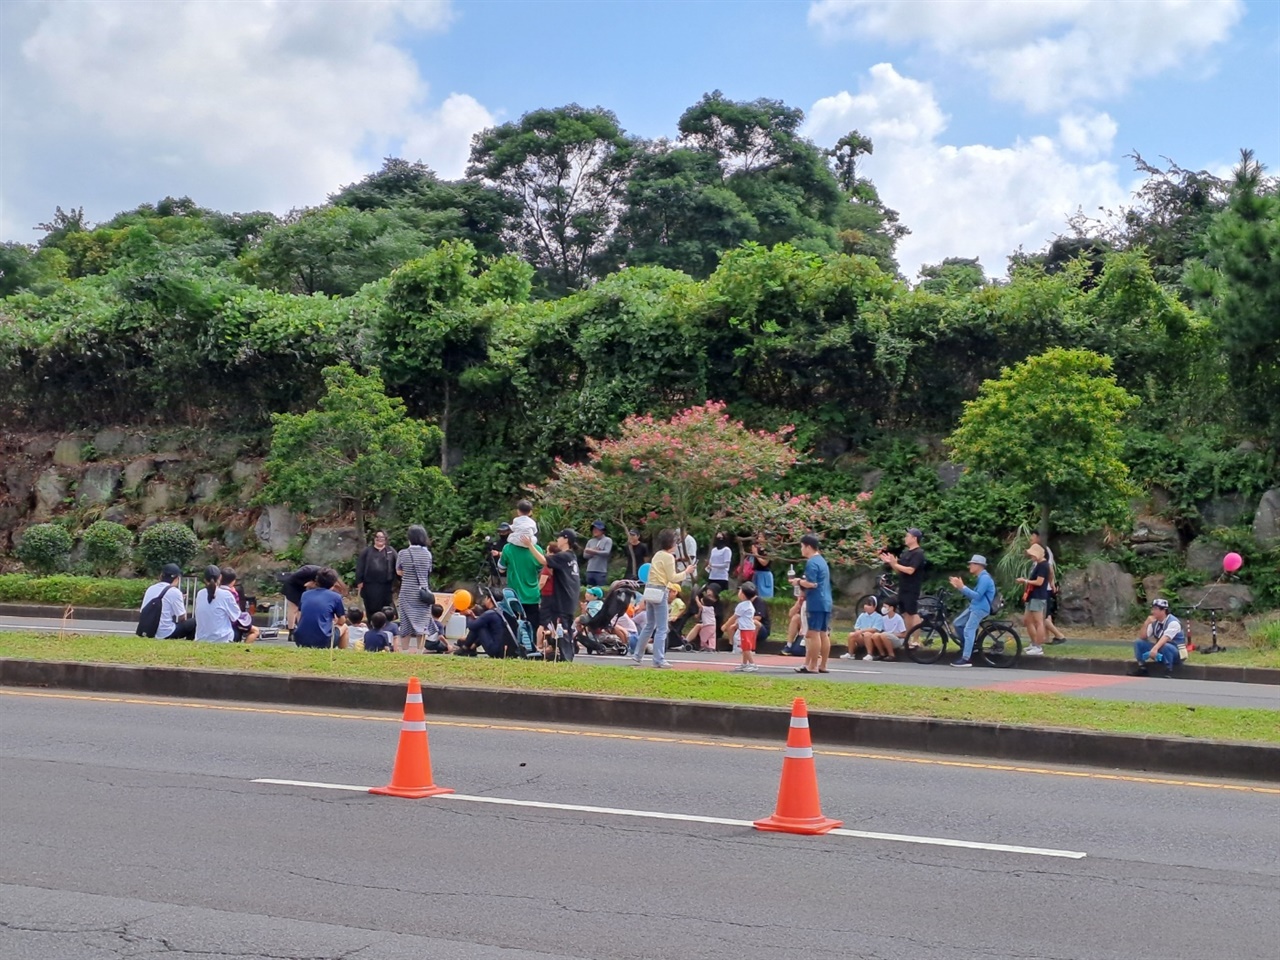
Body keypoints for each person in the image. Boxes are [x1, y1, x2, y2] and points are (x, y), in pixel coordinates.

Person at [634, 529, 694, 668]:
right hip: (660, 592)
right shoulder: (669, 557)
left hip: (650, 590)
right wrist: (686, 572)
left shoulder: (657, 555)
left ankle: (637, 654)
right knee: (662, 628)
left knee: (649, 625)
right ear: (672, 543)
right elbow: (672, 578)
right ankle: (659, 659)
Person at [791, 534, 833, 674]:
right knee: (823, 633)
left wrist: (798, 581)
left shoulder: (812, 562)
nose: (801, 550)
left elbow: (811, 583)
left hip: (816, 601)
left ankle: (813, 665)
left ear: (808, 547)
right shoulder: (822, 561)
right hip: (826, 601)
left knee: (812, 633)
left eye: (802, 546)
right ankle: (823, 665)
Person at [948, 555, 996, 667]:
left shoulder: (985, 578)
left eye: (972, 563)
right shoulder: (981, 577)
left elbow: (977, 596)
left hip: (980, 608)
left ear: (979, 566)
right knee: (958, 623)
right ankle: (967, 646)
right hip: (974, 606)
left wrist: (962, 587)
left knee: (968, 630)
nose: (969, 566)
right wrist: (960, 587)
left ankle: (966, 658)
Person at [395, 525, 435, 653]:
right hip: (422, 592)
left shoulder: (403, 553)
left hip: (407, 591)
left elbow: (399, 571)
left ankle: (405, 650)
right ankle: (419, 651)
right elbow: (428, 571)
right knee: (422, 622)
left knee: (405, 622)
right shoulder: (427, 554)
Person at [499, 527, 547, 630]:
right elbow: (540, 568)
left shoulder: (508, 548)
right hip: (532, 594)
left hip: (513, 594)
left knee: (510, 624)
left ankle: (511, 645)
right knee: (532, 624)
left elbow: (501, 568)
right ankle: (532, 644)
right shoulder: (537, 550)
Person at [880, 528, 925, 634]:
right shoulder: (906, 553)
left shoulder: (918, 553)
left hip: (912, 588)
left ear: (914, 538)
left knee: (912, 613)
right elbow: (899, 570)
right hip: (903, 586)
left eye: (907, 536)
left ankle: (915, 640)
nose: (905, 538)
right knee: (905, 613)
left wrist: (896, 564)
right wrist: (891, 563)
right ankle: (907, 638)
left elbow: (910, 570)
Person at [293, 568, 348, 649]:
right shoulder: (336, 597)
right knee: (345, 627)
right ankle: (342, 654)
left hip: (300, 640)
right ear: (334, 583)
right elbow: (342, 621)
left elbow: (299, 617)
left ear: (317, 581)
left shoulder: (305, 594)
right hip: (323, 642)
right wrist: (335, 621)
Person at [138, 563, 195, 640]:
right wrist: (180, 600)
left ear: (161, 576)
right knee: (193, 623)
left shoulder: (150, 588)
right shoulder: (175, 591)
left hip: (149, 631)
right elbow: (182, 617)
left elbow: (143, 610)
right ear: (177, 579)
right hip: (165, 633)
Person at [1131, 599, 1184, 677]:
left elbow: (1166, 638)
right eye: (1152, 609)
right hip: (1160, 650)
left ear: (1163, 611)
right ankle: (1142, 668)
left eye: (1155, 609)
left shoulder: (1173, 622)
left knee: (1165, 645)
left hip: (1175, 653)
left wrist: (1154, 649)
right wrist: (1146, 623)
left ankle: (1168, 669)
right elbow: (1143, 636)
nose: (1153, 612)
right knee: (1138, 642)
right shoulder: (1155, 622)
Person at [1031, 531, 1068, 644]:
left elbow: (1050, 569)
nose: (1030, 541)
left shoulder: (1043, 551)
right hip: (1043, 587)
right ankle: (1045, 637)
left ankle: (1059, 636)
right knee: (1046, 615)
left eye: (1032, 538)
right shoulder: (1037, 551)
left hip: (1043, 588)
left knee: (1042, 617)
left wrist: (1051, 583)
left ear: (1038, 538)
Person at [454, 594, 517, 658]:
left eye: (486, 598)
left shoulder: (490, 613)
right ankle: (472, 647)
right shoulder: (505, 613)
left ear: (489, 600)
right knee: (482, 625)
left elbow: (472, 626)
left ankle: (465, 648)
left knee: (480, 626)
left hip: (495, 651)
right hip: (507, 651)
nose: (484, 600)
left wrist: (468, 615)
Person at [354, 530, 397, 622]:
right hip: (370, 585)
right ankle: (373, 625)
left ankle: (387, 626)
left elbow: (397, 566)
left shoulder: (391, 551)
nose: (379, 539)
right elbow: (360, 567)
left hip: (386, 585)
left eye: (382, 537)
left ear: (385, 539)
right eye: (377, 537)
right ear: (374, 539)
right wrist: (359, 581)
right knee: (372, 607)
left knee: (387, 607)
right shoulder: (366, 551)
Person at [194, 565, 242, 643]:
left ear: (205, 580)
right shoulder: (226, 594)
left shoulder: (200, 594)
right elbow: (236, 616)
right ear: (220, 577)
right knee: (239, 630)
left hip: (201, 639)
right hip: (223, 639)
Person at [1018, 543, 1051, 656]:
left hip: (1038, 596)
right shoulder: (1039, 564)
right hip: (1032, 595)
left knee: (1038, 622)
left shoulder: (1043, 565)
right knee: (1028, 620)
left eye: (1032, 554)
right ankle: (1033, 643)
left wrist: (1025, 581)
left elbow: (1039, 582)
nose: (1031, 557)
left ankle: (1038, 646)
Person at [220, 567, 259, 644]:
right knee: (255, 631)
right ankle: (244, 649)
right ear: (233, 581)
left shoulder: (214, 591)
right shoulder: (231, 594)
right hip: (230, 625)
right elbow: (236, 614)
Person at [281, 564, 324, 630]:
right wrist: (307, 584)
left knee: (301, 609)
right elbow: (293, 579)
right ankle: (291, 630)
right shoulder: (308, 571)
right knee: (294, 608)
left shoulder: (321, 575)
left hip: (302, 588)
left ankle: (301, 629)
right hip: (292, 586)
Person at [731, 582, 761, 673]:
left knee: (746, 648)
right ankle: (744, 664)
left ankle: (752, 664)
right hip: (748, 628)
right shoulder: (749, 604)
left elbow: (735, 617)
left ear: (743, 595)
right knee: (744, 647)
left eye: (740, 591)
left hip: (746, 629)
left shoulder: (742, 605)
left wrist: (726, 625)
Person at [687, 586, 719, 652]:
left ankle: (704, 646)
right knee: (712, 637)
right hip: (713, 625)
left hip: (707, 625)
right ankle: (712, 647)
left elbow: (700, 606)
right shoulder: (711, 608)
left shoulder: (705, 608)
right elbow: (699, 613)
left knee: (703, 635)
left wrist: (697, 599)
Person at [583, 521, 613, 588]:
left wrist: (593, 551)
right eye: (593, 529)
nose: (595, 531)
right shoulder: (590, 541)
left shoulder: (607, 540)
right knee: (589, 590)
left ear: (602, 530)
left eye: (597, 529)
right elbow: (585, 555)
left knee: (600, 590)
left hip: (600, 571)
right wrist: (593, 551)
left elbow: (606, 552)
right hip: (590, 570)